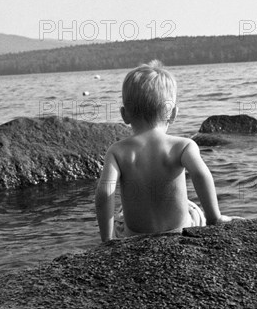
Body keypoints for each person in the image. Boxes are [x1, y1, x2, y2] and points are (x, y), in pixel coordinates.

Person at [95, 60, 240, 242]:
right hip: (179, 230)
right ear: (173, 114)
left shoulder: (117, 151)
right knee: (192, 208)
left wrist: (107, 240)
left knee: (121, 213)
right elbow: (201, 174)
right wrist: (214, 218)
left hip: (135, 235)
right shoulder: (183, 145)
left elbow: (104, 193)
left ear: (124, 114)